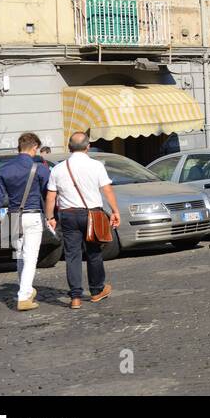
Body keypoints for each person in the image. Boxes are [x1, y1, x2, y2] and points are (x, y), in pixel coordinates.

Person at [44, 132, 121, 310]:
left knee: (72, 255)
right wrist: (115, 211)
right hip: (92, 214)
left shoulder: (58, 168)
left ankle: (76, 297)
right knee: (93, 252)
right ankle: (96, 291)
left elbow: (50, 196)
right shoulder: (96, 166)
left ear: (69, 147)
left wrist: (50, 218)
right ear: (88, 146)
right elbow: (107, 190)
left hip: (68, 214)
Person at [0, 132, 50, 312]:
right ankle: (23, 297)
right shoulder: (40, 168)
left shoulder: (5, 169)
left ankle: (25, 289)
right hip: (33, 215)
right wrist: (53, 217)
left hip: (13, 215)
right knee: (31, 257)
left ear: (19, 147)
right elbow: (49, 194)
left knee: (20, 255)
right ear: (34, 147)